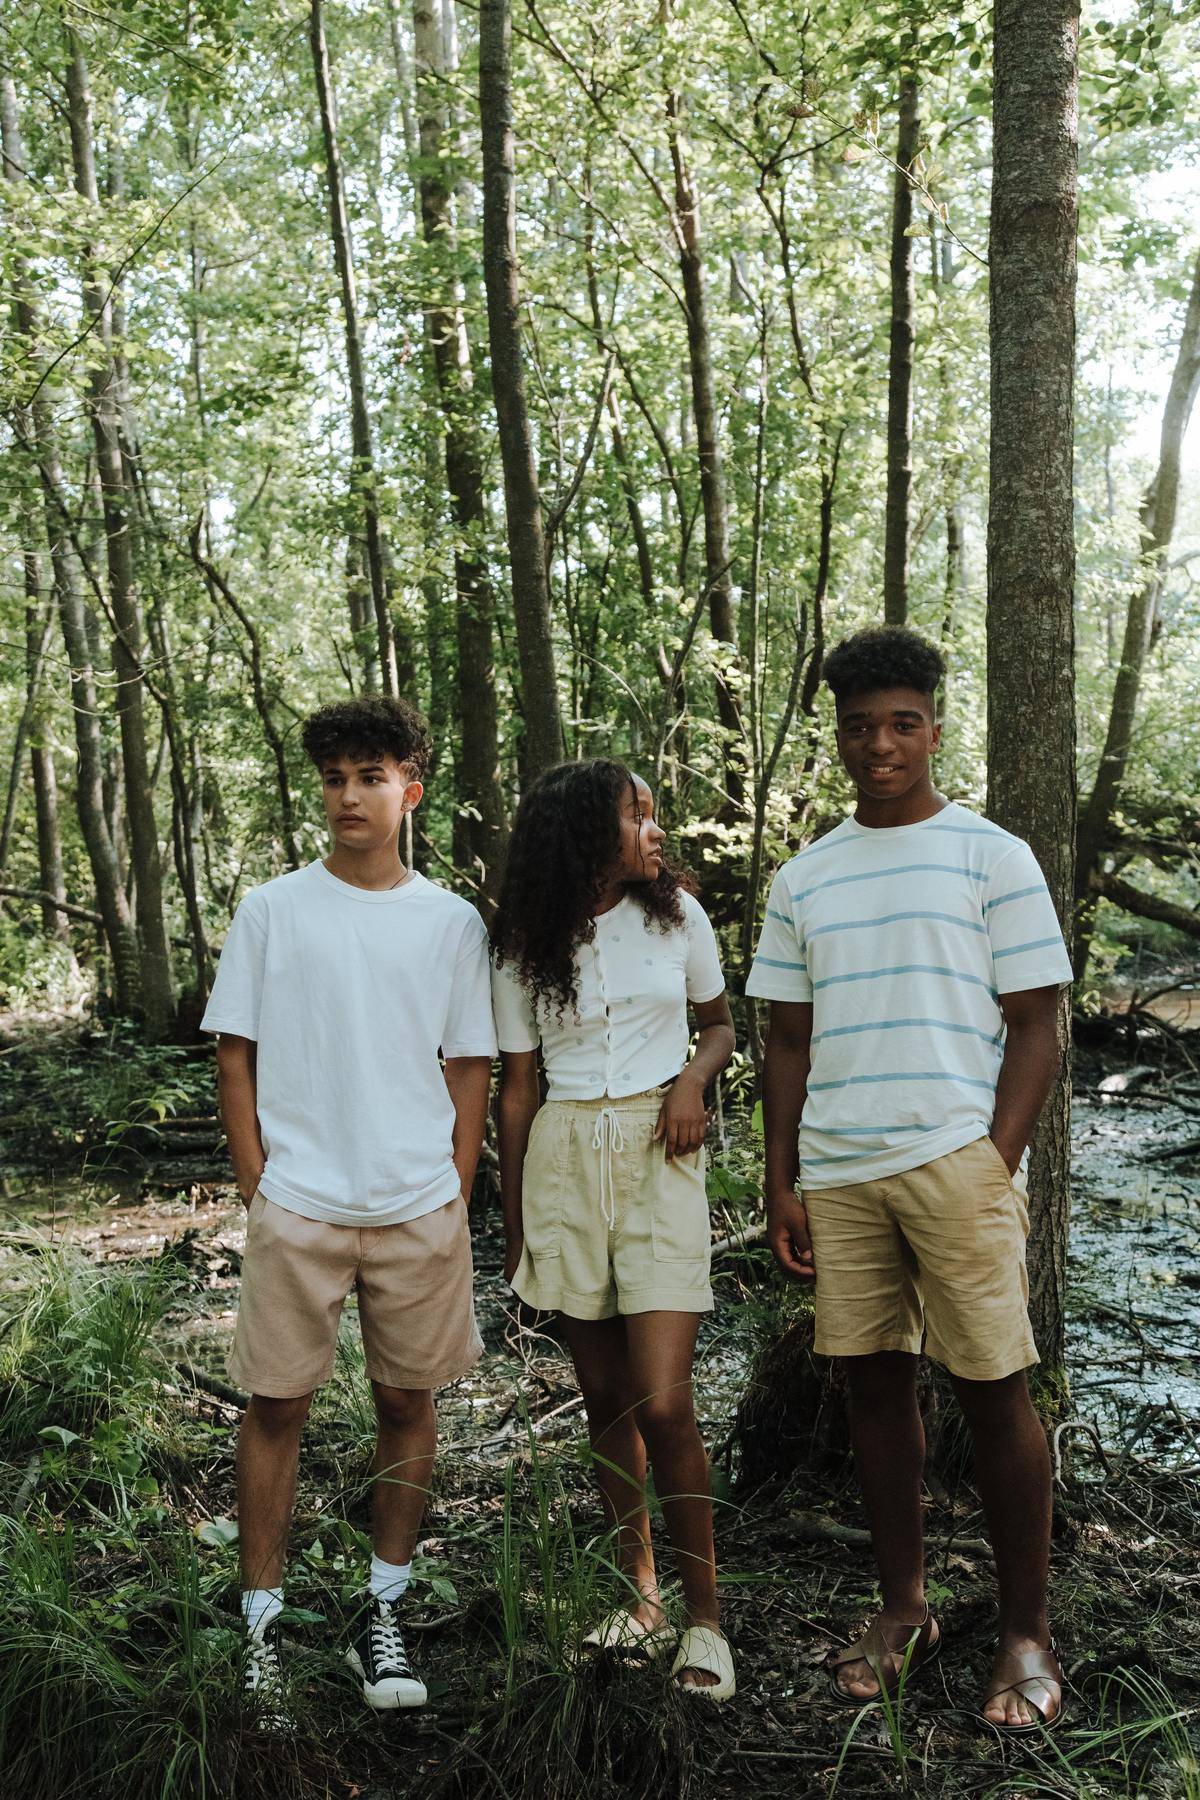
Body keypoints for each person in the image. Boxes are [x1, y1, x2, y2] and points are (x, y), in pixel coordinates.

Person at [747, 625, 1073, 1734]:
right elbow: (784, 1040)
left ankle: (1025, 1630)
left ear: (935, 729)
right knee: (873, 1389)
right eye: (858, 728)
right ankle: (904, 1611)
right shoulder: (807, 876)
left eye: (901, 724)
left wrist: (994, 1161)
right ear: (837, 739)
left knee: (994, 1389)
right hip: (839, 1171)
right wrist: (780, 1177)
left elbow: (1037, 1024)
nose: (879, 745)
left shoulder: (993, 856)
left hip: (954, 1165)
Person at [202, 695, 495, 1718]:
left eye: (370, 776)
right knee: (275, 1404)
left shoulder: (451, 921)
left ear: (409, 788)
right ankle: (262, 1627)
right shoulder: (274, 909)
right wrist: (260, 1185)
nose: (349, 796)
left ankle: (386, 1609)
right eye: (333, 779)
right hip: (301, 1201)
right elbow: (234, 1053)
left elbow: (468, 1065)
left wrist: (454, 1189)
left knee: (406, 1405)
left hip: (417, 1202)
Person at [492, 760, 737, 1701]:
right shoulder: (522, 940)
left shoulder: (679, 918)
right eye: (638, 814)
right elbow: (517, 1090)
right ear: (588, 832)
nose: (656, 826)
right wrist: (516, 1227)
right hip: (561, 1161)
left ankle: (707, 1622)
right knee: (606, 1405)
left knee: (666, 1402)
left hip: (658, 1154)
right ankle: (639, 1600)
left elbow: (719, 1026)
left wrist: (688, 1085)